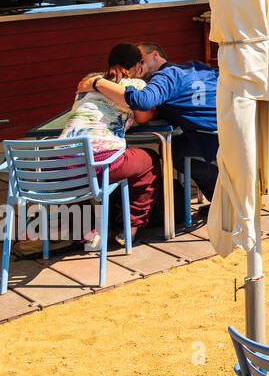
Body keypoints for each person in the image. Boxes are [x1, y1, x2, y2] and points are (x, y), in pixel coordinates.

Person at [81, 41, 221, 202]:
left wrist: (97, 82)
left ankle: (220, 196)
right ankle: (221, 195)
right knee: (176, 145)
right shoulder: (195, 67)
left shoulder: (164, 76)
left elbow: (142, 101)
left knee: (171, 150)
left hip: (211, 139)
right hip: (235, 131)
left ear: (155, 55)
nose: (137, 64)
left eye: (141, 59)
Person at [64, 44, 161, 249]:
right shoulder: (135, 84)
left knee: (71, 177)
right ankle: (130, 228)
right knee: (149, 160)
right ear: (139, 65)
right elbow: (143, 117)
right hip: (101, 159)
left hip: (62, 161)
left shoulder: (90, 79)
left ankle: (90, 235)